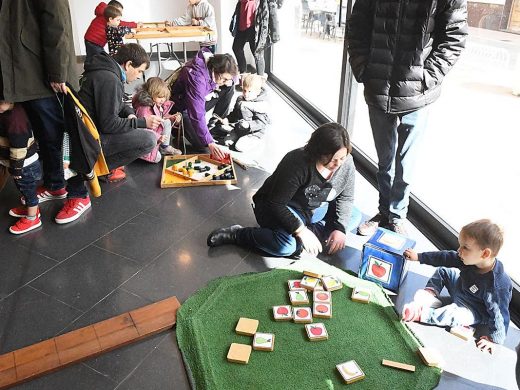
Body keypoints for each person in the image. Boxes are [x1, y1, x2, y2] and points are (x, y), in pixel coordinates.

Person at [347, 0, 468, 236]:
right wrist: (363, 69)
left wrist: (426, 78)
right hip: (378, 87)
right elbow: (356, 27)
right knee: (385, 160)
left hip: (417, 94)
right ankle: (384, 211)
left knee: (406, 163)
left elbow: (455, 37)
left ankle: (397, 215)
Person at [0, 0, 91, 224]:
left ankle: (79, 193)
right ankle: (55, 185)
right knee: (46, 136)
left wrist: (58, 72)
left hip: (44, 72)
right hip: (25, 70)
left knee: (63, 136)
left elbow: (56, 19)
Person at [207, 122, 356, 258]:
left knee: (353, 216)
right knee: (285, 246)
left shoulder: (346, 163)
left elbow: (346, 198)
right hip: (280, 207)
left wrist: (340, 228)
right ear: (318, 151)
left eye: (342, 158)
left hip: (313, 208)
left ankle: (307, 235)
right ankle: (237, 234)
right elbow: (276, 204)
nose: (337, 164)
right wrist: (301, 231)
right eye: (331, 158)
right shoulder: (297, 161)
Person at [402, 219, 512, 354]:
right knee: (444, 270)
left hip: (473, 309)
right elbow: (445, 257)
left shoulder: (497, 286)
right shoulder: (468, 259)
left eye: (465, 247)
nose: (459, 250)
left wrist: (494, 339)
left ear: (485, 254)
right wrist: (419, 257)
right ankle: (430, 294)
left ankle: (420, 314)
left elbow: (500, 314)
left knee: (453, 315)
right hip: (460, 289)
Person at [78, 43, 160, 184]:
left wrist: (130, 114)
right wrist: (142, 122)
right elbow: (109, 125)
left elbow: (116, 103)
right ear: (128, 64)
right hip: (90, 141)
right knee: (149, 139)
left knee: (136, 129)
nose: (139, 76)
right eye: (140, 71)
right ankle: (98, 170)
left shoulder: (104, 70)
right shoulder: (110, 80)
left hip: (84, 134)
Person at [171, 49, 238, 160]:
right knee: (204, 146)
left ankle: (216, 123)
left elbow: (232, 76)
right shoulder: (197, 79)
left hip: (198, 100)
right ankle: (179, 127)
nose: (224, 81)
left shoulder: (215, 63)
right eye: (223, 78)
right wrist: (209, 142)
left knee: (229, 87)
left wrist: (230, 80)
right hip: (183, 108)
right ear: (215, 70)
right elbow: (197, 114)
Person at [0, 102, 41, 234]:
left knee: (28, 192)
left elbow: (19, 147)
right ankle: (32, 209)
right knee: (23, 189)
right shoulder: (6, 113)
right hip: (19, 163)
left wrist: (16, 168)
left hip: (25, 165)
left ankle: (32, 217)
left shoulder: (15, 120)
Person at [213, 73, 270, 152]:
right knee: (227, 141)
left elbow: (261, 123)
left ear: (258, 92)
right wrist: (228, 119)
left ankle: (257, 140)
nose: (246, 94)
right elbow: (234, 113)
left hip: (254, 132)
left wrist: (248, 125)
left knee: (239, 147)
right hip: (239, 129)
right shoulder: (240, 99)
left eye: (250, 91)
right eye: (244, 90)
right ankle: (237, 135)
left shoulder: (260, 106)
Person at [132, 77, 182, 163]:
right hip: (143, 141)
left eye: (164, 97)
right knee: (157, 158)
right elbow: (142, 129)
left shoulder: (157, 104)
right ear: (151, 94)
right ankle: (141, 154)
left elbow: (163, 116)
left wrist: (173, 118)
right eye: (160, 97)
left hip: (155, 137)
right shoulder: (144, 108)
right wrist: (158, 137)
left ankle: (164, 147)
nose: (163, 100)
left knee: (166, 121)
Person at [230, 0, 283, 76]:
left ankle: (260, 80)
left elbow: (277, 5)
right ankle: (243, 74)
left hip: (255, 25)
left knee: (257, 53)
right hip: (242, 22)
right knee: (236, 48)